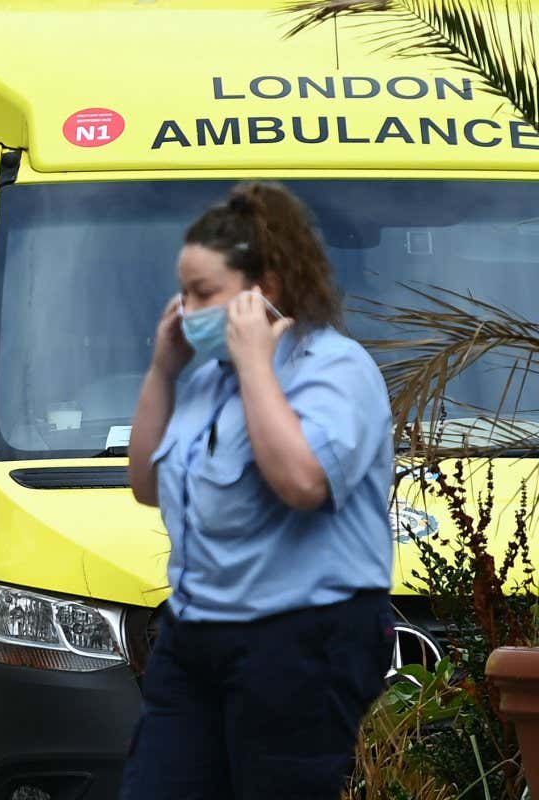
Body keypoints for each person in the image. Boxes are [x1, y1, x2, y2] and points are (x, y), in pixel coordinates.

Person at [122, 181, 395, 800]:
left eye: (203, 293)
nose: (186, 310)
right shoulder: (204, 382)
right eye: (183, 293)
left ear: (263, 289)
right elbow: (147, 483)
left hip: (300, 641)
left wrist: (254, 366)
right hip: (197, 637)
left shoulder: (335, 370)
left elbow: (301, 481)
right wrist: (165, 369)